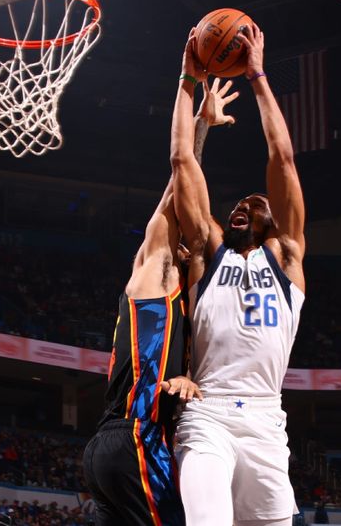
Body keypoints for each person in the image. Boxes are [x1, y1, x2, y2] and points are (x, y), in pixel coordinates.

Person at [82, 78, 239, 526]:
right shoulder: (156, 280)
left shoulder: (188, 315)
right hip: (136, 439)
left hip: (116, 448)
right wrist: (200, 121)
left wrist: (187, 380)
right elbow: (178, 181)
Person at [170, 23, 306, 526]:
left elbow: (284, 158)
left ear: (275, 223)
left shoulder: (288, 259)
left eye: (256, 203)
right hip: (209, 413)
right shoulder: (209, 254)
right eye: (238, 204)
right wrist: (187, 81)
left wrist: (258, 76)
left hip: (268, 423)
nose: (243, 207)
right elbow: (182, 160)